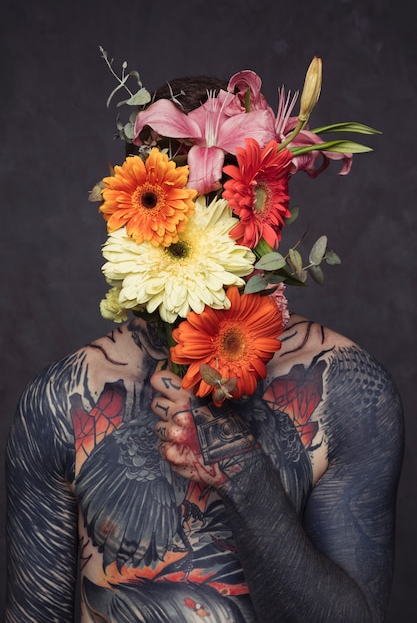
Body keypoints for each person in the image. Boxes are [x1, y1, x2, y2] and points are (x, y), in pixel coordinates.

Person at [5, 63, 404, 623]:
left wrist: (246, 474)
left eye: (229, 209)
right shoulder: (61, 403)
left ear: (260, 207)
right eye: (182, 212)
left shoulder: (345, 392)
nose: (207, 229)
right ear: (138, 215)